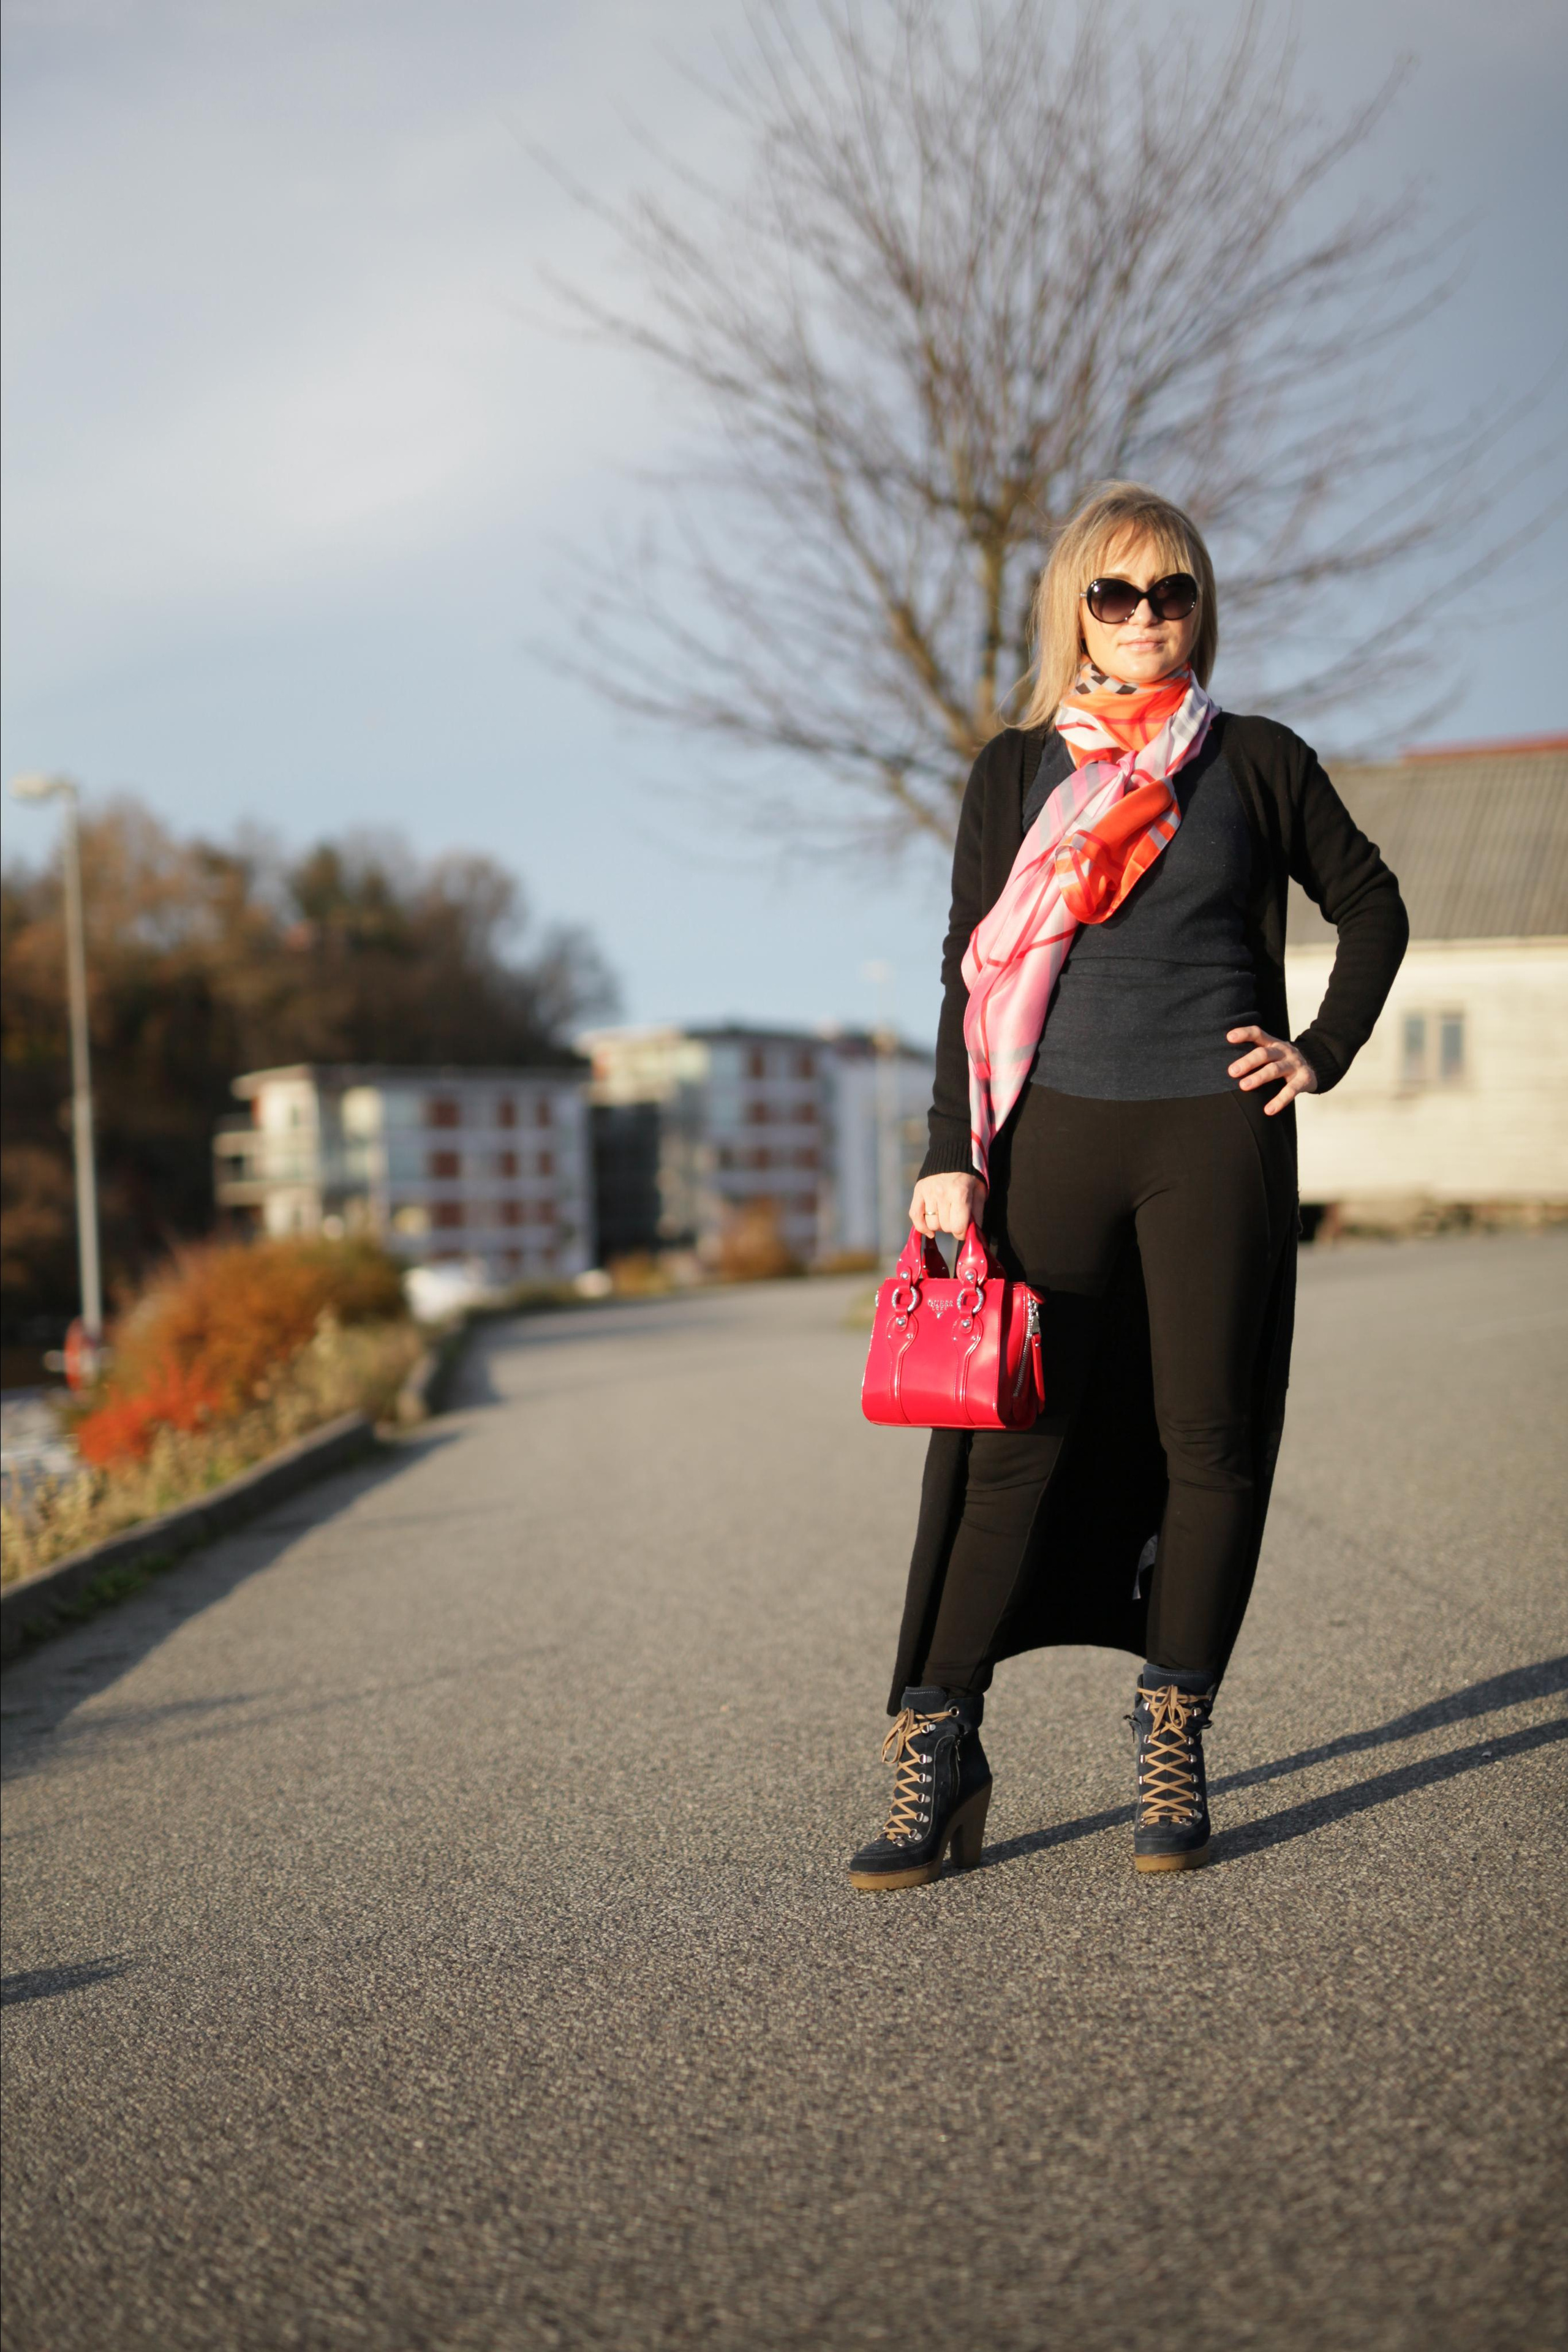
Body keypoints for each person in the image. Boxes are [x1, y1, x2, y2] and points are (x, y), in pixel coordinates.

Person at [849, 481, 1408, 1891]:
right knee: (1008, 1445)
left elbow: (1370, 904)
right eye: (1116, 593)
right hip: (1050, 1138)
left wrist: (1319, 1049)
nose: (1146, 615)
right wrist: (946, 1151)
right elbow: (967, 970)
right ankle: (939, 1741)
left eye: (1173, 591)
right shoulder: (1012, 771)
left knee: (1205, 1437)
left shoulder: (1255, 761)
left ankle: (1172, 1732)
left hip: (1211, 1138)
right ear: (1075, 610)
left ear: (1199, 606)